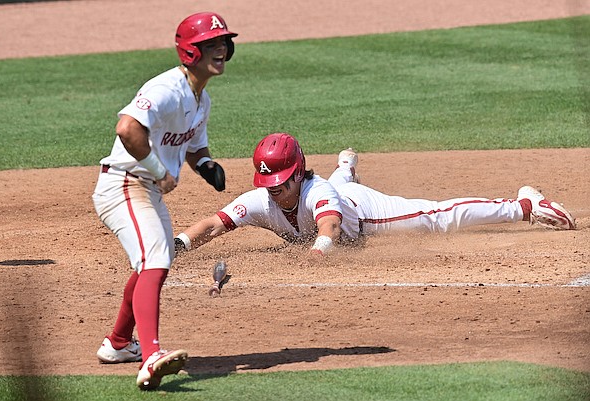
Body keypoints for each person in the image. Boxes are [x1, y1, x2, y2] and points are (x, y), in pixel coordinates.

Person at [92, 12, 237, 391]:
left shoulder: (200, 99)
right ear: (191, 51)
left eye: (223, 42)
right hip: (124, 184)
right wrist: (159, 170)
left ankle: (118, 344)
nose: (221, 49)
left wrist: (206, 165)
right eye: (212, 44)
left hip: (145, 188)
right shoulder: (167, 88)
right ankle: (151, 354)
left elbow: (191, 143)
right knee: (155, 256)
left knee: (155, 261)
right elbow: (127, 127)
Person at [174, 133, 576, 257]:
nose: (274, 191)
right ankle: (346, 166)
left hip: (364, 215)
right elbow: (216, 223)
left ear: (297, 173)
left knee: (437, 217)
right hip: (341, 192)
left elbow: (329, 224)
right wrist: (180, 243)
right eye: (268, 185)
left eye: (281, 182)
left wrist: (320, 251)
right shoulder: (261, 199)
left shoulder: (318, 193)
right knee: (342, 183)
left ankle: (523, 205)